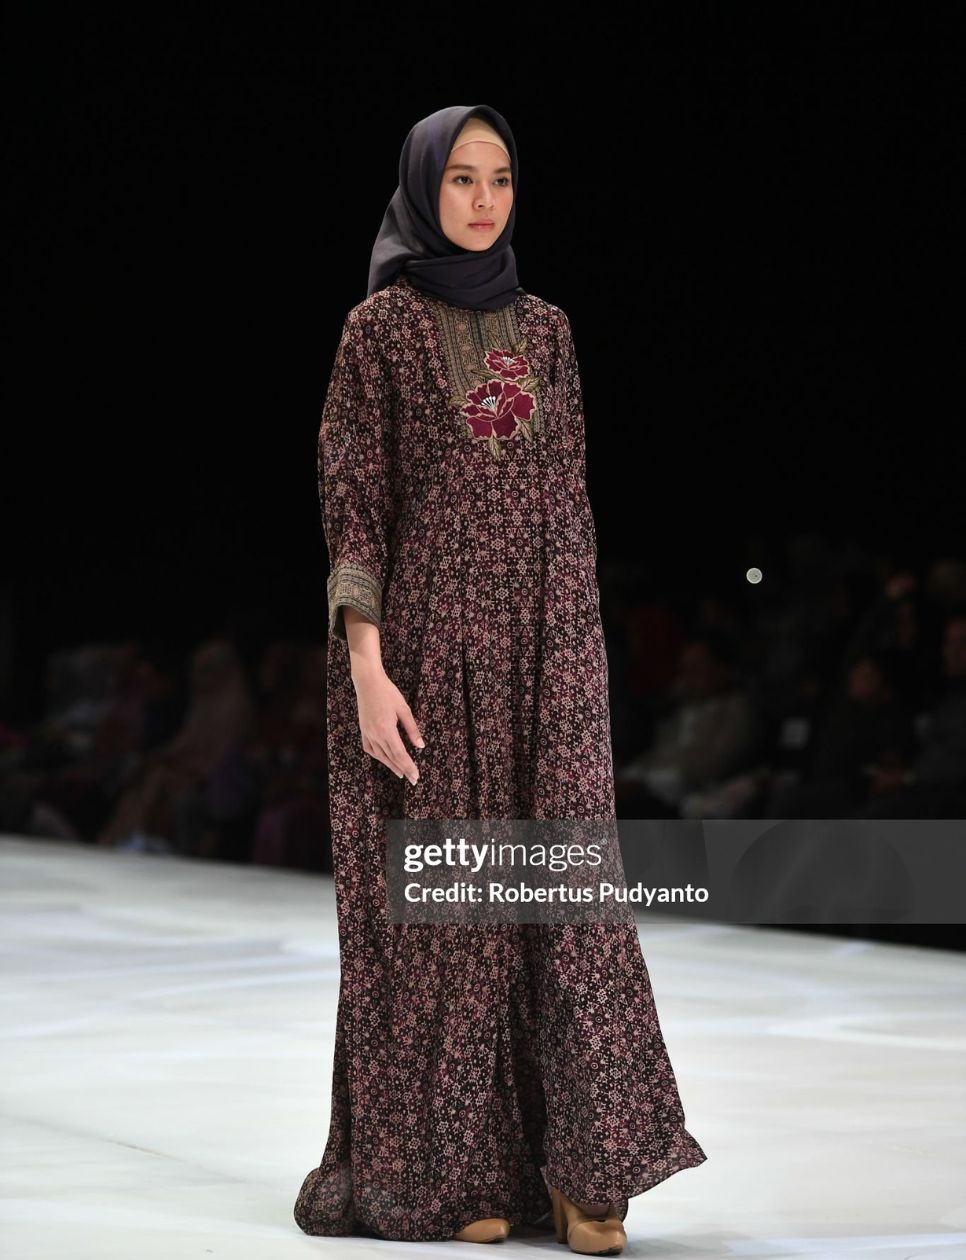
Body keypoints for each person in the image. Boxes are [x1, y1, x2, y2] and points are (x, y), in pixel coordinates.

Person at [293, 104, 707, 1252]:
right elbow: (354, 512)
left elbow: (569, 505)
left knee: (571, 895)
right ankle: (464, 1171)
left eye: (502, 178)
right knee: (456, 916)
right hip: (422, 653)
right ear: (425, 190)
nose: (483, 199)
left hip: (544, 641)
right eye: (462, 179)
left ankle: (590, 1171)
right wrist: (367, 674)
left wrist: (579, 654)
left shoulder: (553, 331)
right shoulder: (375, 332)